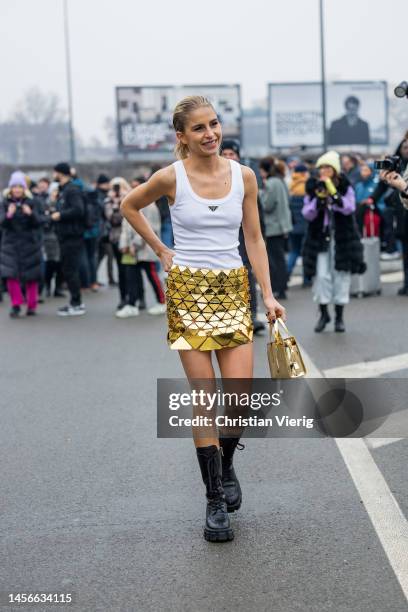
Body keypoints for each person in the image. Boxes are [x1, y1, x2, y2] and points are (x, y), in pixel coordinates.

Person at [120, 95, 285, 543]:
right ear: (182, 136)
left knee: (240, 397)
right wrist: (159, 248)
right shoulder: (169, 177)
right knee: (204, 395)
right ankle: (214, 501)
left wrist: (268, 294)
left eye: (213, 124)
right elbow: (129, 207)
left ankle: (226, 463)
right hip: (188, 293)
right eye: (199, 128)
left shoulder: (244, 176)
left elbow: (254, 238)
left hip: (233, 290)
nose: (210, 133)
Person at [302, 151, 366, 333]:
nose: (324, 170)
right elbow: (307, 213)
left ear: (335, 170)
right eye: (321, 167)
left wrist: (333, 192)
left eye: (327, 167)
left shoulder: (345, 185)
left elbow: (349, 208)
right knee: (321, 276)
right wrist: (318, 200)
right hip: (320, 238)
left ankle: (339, 317)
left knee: (341, 276)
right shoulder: (313, 186)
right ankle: (324, 314)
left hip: (341, 238)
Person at [221, 138, 266, 334]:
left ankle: (251, 315)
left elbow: (257, 213)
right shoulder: (213, 178)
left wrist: (259, 238)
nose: (229, 157)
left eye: (232, 154)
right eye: (225, 154)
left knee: (248, 276)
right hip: (223, 241)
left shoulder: (246, 178)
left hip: (245, 238)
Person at [0, 171, 44, 317]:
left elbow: (39, 222)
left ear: (24, 188)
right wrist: (9, 215)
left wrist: (30, 214)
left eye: (20, 186)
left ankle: (32, 305)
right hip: (10, 244)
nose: (17, 189)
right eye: (14, 186)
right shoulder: (4, 203)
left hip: (29, 243)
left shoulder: (33, 202)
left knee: (31, 276)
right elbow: (2, 224)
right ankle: (16, 304)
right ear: (10, 188)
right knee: (11, 275)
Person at [118, 203, 166, 317]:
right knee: (131, 277)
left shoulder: (150, 207)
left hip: (146, 248)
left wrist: (135, 244)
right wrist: (124, 244)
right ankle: (132, 304)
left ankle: (162, 302)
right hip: (131, 250)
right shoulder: (129, 202)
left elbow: (151, 228)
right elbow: (125, 226)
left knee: (152, 276)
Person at [52, 162, 86, 316]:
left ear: (60, 173)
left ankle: (77, 304)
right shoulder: (64, 190)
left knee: (70, 269)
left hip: (72, 236)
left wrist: (60, 215)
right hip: (66, 235)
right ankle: (75, 301)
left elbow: (79, 210)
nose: (53, 175)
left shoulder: (72, 189)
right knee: (68, 269)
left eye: (55, 172)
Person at [259, 156, 293, 300]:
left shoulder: (271, 183)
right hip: (283, 225)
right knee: (280, 258)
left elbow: (267, 205)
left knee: (274, 260)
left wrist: (259, 193)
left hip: (274, 226)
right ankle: (282, 286)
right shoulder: (280, 180)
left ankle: (279, 287)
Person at [378, 147, 408, 295]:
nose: (406, 149)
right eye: (404, 146)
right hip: (403, 219)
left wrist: (404, 187)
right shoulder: (401, 164)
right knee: (405, 255)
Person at [104, 177, 130, 310]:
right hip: (116, 238)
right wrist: (116, 203)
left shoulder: (131, 198)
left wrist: (125, 199)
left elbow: (132, 215)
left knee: (133, 269)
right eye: (114, 187)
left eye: (119, 186)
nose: (117, 190)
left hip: (130, 239)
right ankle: (123, 298)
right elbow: (113, 219)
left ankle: (136, 297)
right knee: (121, 268)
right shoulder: (108, 201)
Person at [287, 163, 311, 286]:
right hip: (305, 226)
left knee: (294, 252)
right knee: (306, 252)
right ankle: (307, 279)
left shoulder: (291, 185)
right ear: (303, 173)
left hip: (293, 226)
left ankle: (286, 275)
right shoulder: (306, 187)